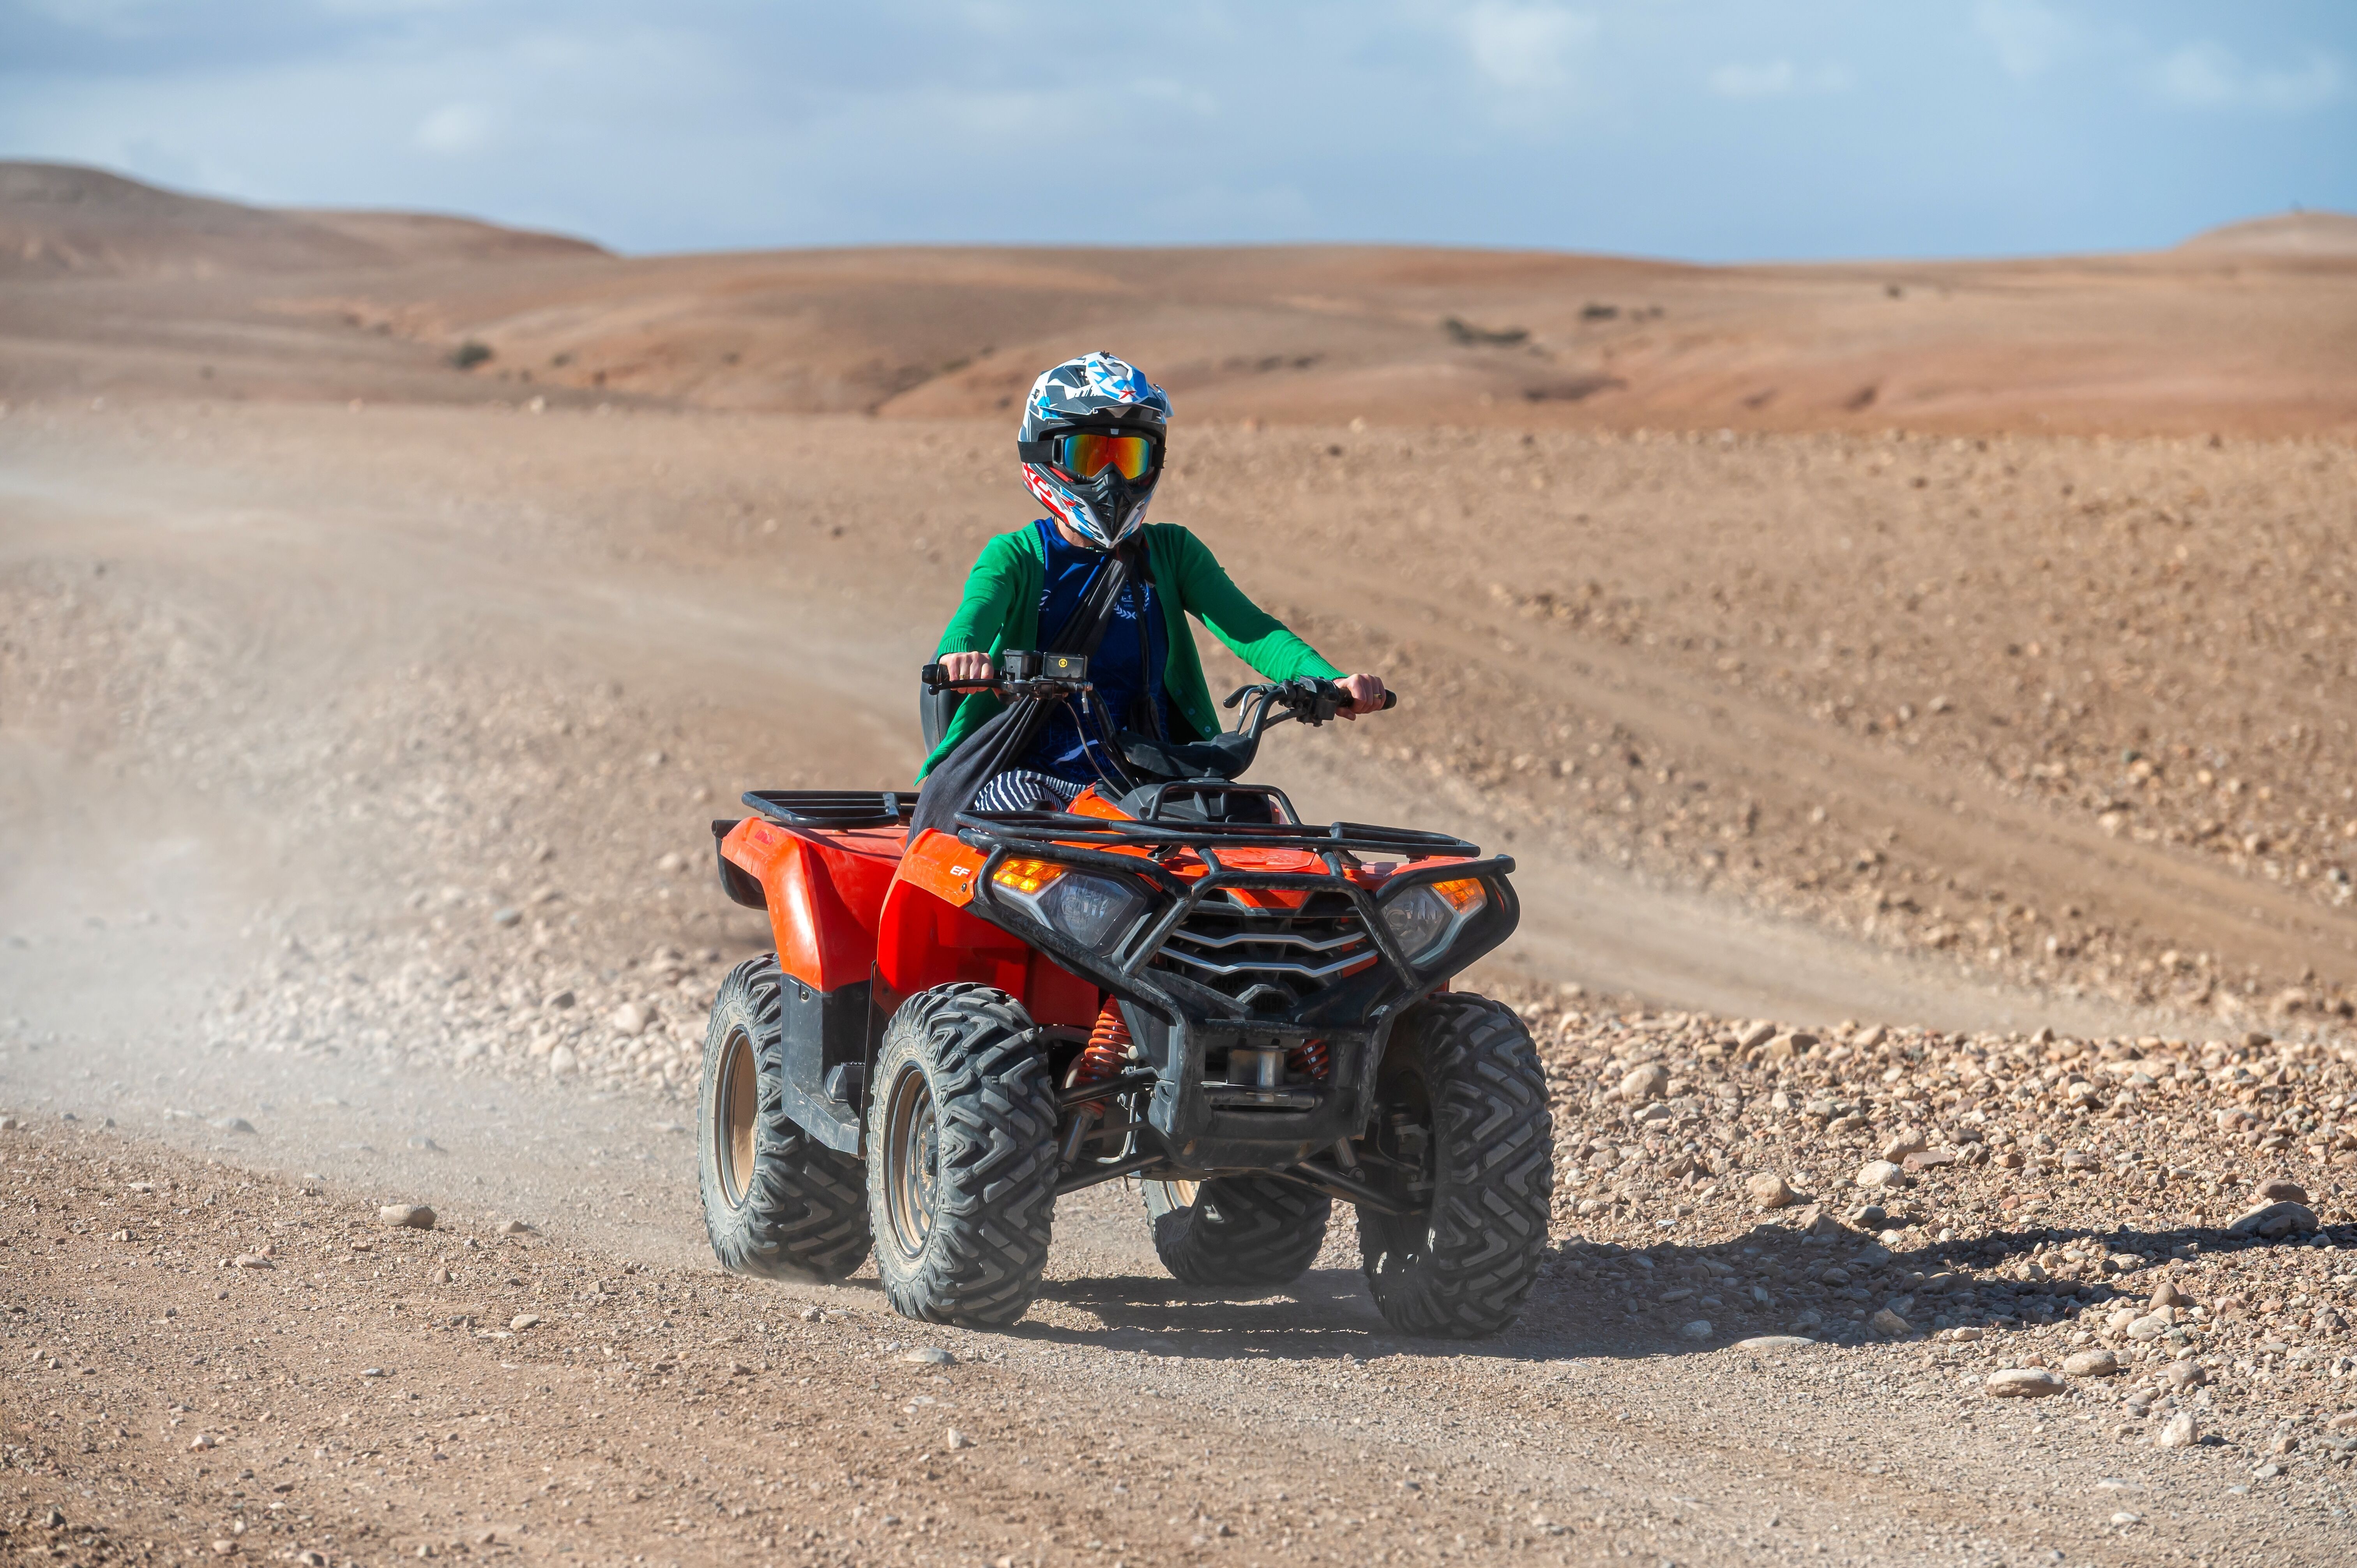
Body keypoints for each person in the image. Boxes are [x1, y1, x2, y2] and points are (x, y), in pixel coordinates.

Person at [922, 351, 1387, 813]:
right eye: (1090, 456)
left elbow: (1253, 629)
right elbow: (974, 616)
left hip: (1147, 781)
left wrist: (1330, 680)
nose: (1111, 478)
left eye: (1127, 456)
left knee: (1255, 820)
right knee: (1020, 815)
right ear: (1045, 453)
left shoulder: (1173, 552)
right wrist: (961, 658)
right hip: (1034, 774)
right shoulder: (1018, 555)